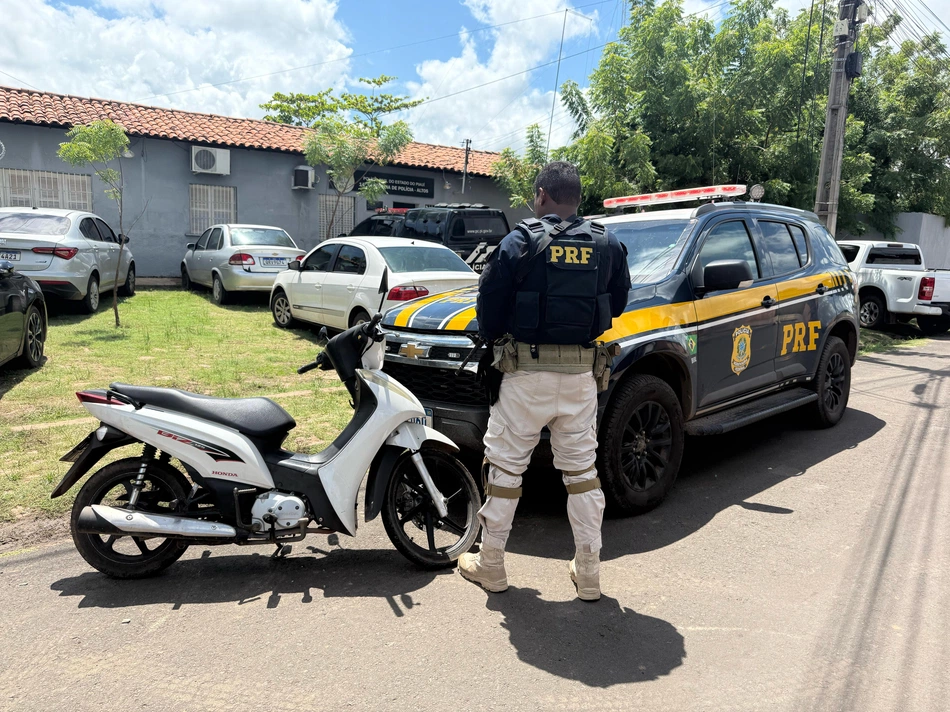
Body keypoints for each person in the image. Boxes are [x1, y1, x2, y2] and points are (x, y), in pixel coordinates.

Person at [458, 161, 631, 601]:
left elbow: (489, 304)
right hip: (580, 378)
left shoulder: (520, 240)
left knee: (505, 469)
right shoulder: (606, 243)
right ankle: (589, 572)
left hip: (524, 375)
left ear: (540, 196)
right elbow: (619, 302)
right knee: (581, 474)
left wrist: (497, 335)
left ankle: (491, 564)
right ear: (577, 198)